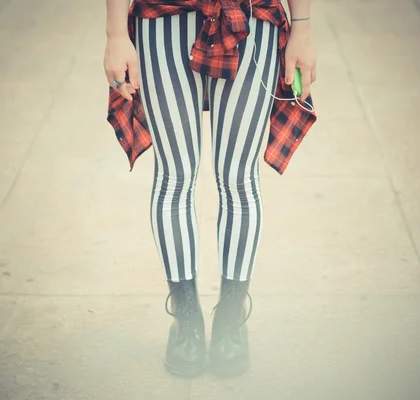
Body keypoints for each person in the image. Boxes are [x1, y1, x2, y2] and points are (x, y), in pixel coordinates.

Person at [104, 0, 317, 378]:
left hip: (252, 20)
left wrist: (302, 28)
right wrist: (116, 33)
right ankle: (187, 322)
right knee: (175, 176)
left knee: (239, 179)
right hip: (163, 18)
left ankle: (230, 322)